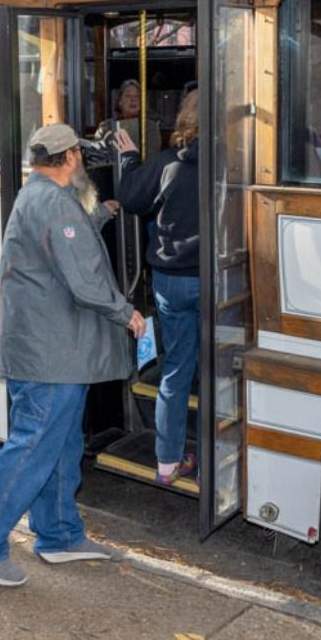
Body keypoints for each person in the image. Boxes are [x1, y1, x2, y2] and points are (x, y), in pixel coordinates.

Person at [0, 123, 145, 587]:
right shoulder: (57, 205)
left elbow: (60, 242)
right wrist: (127, 314)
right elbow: (84, 279)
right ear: (73, 157)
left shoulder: (38, 195)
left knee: (59, 446)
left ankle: (58, 535)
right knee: (33, 449)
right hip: (50, 355)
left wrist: (99, 216)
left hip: (53, 352)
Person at [114, 93, 201, 485]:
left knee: (177, 369)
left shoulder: (167, 164)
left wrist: (131, 158)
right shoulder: (229, 164)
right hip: (216, 280)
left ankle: (167, 462)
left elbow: (131, 197)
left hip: (170, 281)